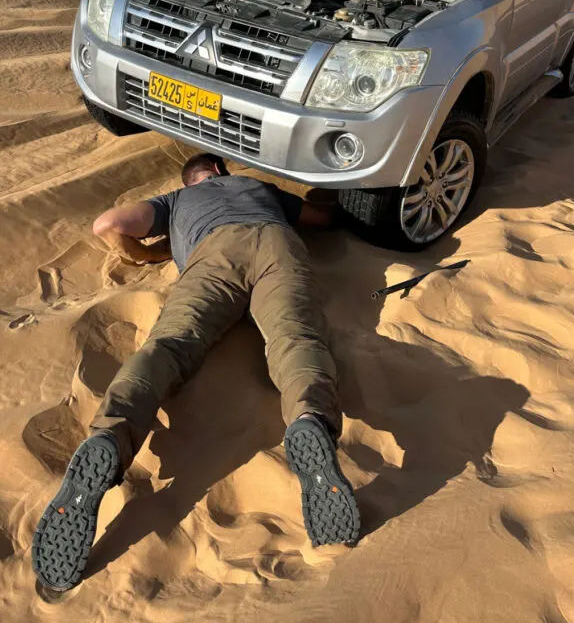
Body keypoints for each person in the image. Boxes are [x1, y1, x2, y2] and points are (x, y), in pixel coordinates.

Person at [32, 153, 360, 592]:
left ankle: (110, 435)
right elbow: (324, 218)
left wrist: (151, 252)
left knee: (168, 347)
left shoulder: (176, 201)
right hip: (277, 245)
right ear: (221, 170)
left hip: (213, 256)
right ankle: (309, 419)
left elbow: (107, 225)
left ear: (190, 180)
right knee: (296, 339)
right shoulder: (258, 188)